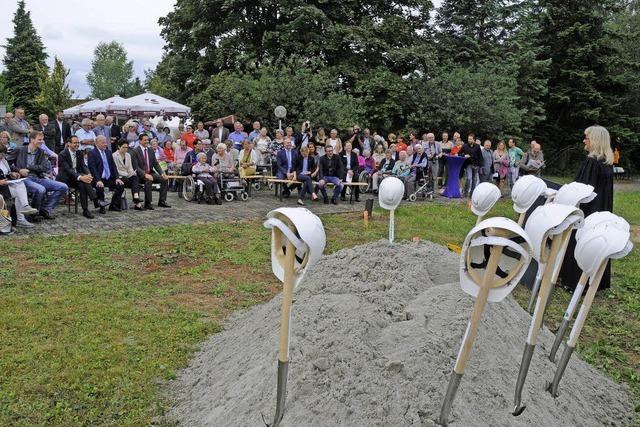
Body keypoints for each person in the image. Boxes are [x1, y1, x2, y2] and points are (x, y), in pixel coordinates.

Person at [560, 125, 615, 291]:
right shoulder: (606, 163)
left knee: (579, 242)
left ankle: (573, 281)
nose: (584, 140)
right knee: (595, 244)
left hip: (587, 212)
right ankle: (593, 282)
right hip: (600, 211)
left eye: (587, 138)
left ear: (596, 140)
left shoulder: (591, 162)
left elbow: (581, 190)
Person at [10, 131, 68, 219]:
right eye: (39, 139)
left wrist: (29, 167)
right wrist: (18, 170)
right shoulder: (20, 150)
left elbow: (43, 167)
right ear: (32, 140)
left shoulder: (41, 151)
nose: (42, 142)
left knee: (63, 187)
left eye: (42, 140)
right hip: (24, 179)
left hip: (37, 177)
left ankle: (45, 209)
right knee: (41, 189)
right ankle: (34, 213)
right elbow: (7, 163)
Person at [57, 135, 105, 219]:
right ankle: (95, 201)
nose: (77, 144)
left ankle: (86, 209)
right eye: (75, 143)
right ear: (69, 143)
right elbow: (68, 170)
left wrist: (88, 174)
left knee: (83, 184)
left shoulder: (79, 152)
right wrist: (81, 177)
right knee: (83, 181)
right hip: (66, 178)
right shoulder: (62, 154)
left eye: (78, 143)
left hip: (77, 177)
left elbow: (83, 166)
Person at [0, 135, 38, 227]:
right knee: (19, 191)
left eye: (3, 154)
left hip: (6, 186)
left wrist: (12, 174)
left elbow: (6, 172)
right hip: (1, 188)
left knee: (20, 184)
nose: (2, 156)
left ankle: (24, 209)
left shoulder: (3, 160)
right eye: (1, 154)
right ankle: (22, 214)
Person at [131, 134, 171, 210]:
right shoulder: (135, 151)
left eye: (147, 140)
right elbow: (135, 166)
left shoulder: (150, 150)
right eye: (145, 140)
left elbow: (155, 163)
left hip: (150, 172)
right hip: (140, 175)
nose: (147, 141)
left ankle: (162, 201)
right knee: (149, 180)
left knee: (165, 179)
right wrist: (145, 174)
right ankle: (148, 203)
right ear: (140, 141)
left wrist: (162, 173)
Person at [87, 135, 125, 213]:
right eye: (103, 143)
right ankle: (102, 206)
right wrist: (98, 180)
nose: (105, 144)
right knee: (100, 187)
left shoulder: (108, 152)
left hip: (108, 178)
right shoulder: (92, 153)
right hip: (97, 178)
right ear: (96, 143)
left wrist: (117, 178)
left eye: (106, 143)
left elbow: (113, 166)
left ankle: (113, 205)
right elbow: (92, 168)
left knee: (120, 185)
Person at [112, 140, 144, 210]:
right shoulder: (114, 155)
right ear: (119, 147)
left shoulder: (128, 155)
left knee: (135, 177)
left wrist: (132, 173)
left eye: (127, 147)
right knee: (135, 183)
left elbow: (130, 168)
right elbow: (116, 170)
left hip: (127, 175)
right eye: (123, 147)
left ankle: (136, 197)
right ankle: (137, 203)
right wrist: (127, 174)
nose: (125, 149)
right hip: (119, 176)